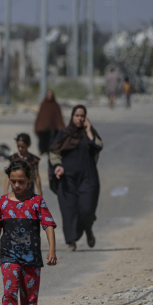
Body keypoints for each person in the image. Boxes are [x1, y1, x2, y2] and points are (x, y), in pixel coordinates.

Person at [0, 159, 58, 305]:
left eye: (21, 181)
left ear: (29, 181)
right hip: (9, 258)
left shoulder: (37, 202)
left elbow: (49, 225)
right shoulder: (2, 203)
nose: (17, 185)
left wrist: (52, 250)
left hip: (31, 259)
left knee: (29, 300)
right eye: (13, 181)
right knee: (10, 295)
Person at [50, 104, 102, 251]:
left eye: (82, 116)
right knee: (69, 210)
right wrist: (58, 166)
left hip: (88, 177)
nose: (79, 119)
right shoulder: (63, 133)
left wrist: (89, 130)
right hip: (67, 178)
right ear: (72, 117)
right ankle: (71, 240)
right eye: (77, 115)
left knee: (87, 209)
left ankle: (88, 229)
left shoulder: (89, 133)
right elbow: (54, 152)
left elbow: (98, 146)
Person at [33, 89, 65, 156]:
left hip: (53, 128)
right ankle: (42, 150)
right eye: (48, 95)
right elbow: (40, 116)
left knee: (52, 139)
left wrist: (59, 126)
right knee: (42, 139)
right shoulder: (43, 104)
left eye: (51, 95)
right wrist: (39, 126)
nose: (49, 96)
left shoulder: (55, 105)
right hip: (43, 127)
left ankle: (50, 150)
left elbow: (58, 116)